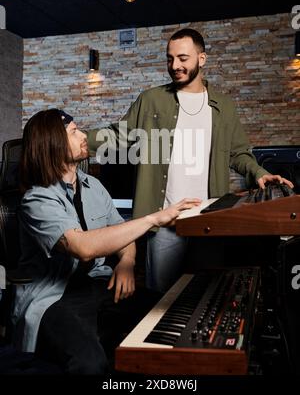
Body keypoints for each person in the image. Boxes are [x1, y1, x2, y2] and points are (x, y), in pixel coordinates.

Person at [87, 28, 294, 294]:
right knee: (159, 299)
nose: (175, 66)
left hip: (209, 223)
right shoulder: (150, 100)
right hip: (164, 226)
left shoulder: (224, 107)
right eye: (170, 59)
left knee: (205, 295)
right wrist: (77, 141)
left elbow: (238, 153)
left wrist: (258, 172)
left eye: (183, 58)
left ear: (202, 58)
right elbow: (119, 136)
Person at [12, 108, 199, 375]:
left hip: (98, 285)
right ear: (52, 143)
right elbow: (84, 248)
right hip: (54, 298)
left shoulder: (93, 185)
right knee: (90, 365)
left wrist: (127, 261)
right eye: (74, 132)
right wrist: (154, 219)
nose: (83, 135)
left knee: (168, 317)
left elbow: (121, 231)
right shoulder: (36, 200)